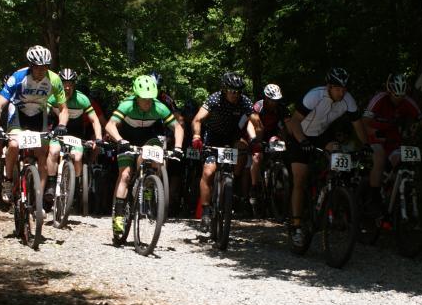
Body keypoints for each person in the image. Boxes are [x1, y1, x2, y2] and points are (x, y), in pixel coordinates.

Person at [284, 67, 369, 247]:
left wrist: (366, 145)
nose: (342, 92)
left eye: (344, 88)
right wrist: (302, 141)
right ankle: (297, 226)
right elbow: (294, 121)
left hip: (322, 134)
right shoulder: (314, 96)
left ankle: (333, 194)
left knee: (339, 157)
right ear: (329, 87)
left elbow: (358, 125)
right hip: (300, 134)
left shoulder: (348, 100)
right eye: (338, 88)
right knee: (300, 177)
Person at [0, 46, 69, 207]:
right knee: (14, 144)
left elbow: (63, 109)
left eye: (45, 67)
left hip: (39, 114)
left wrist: (61, 124)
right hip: (19, 112)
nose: (41, 70)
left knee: (42, 154)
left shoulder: (54, 79)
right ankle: (8, 181)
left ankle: (38, 198)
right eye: (37, 67)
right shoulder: (18, 77)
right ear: (31, 65)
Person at [105, 75, 184, 236]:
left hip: (149, 138)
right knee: (125, 175)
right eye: (144, 99)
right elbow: (110, 125)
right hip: (127, 139)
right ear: (136, 96)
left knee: (154, 160)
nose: (148, 102)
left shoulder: (159, 107)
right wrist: (120, 140)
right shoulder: (127, 104)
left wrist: (178, 147)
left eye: (150, 98)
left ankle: (148, 184)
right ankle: (118, 216)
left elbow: (178, 127)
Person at [189, 71, 258, 228]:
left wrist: (256, 141)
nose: (235, 95)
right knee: (208, 172)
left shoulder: (244, 101)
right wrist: (196, 136)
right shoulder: (214, 98)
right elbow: (198, 119)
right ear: (225, 89)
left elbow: (254, 122)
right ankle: (206, 211)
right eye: (232, 91)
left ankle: (232, 182)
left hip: (232, 137)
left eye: (239, 91)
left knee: (243, 148)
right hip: (213, 136)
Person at [362, 73, 422, 214]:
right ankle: (373, 198)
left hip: (392, 137)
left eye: (401, 96)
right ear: (389, 91)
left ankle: (392, 192)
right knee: (380, 158)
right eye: (395, 96)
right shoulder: (379, 99)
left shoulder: (408, 101)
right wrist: (374, 133)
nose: (398, 99)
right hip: (375, 135)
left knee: (400, 159)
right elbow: (364, 123)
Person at [248, 83, 288, 211]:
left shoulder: (281, 108)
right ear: (265, 98)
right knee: (257, 158)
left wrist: (286, 141)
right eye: (271, 100)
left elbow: (286, 127)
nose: (274, 103)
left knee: (282, 152)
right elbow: (252, 124)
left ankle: (278, 176)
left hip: (273, 134)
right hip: (258, 133)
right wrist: (254, 140)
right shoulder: (258, 106)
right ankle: (254, 187)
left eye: (276, 100)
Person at [60, 67, 103, 177]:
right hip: (58, 133)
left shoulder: (83, 99)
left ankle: (77, 183)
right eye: (64, 83)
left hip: (77, 134)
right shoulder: (54, 96)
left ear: (74, 85)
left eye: (70, 84)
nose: (67, 87)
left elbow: (96, 120)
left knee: (78, 157)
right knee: (53, 153)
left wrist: (98, 138)